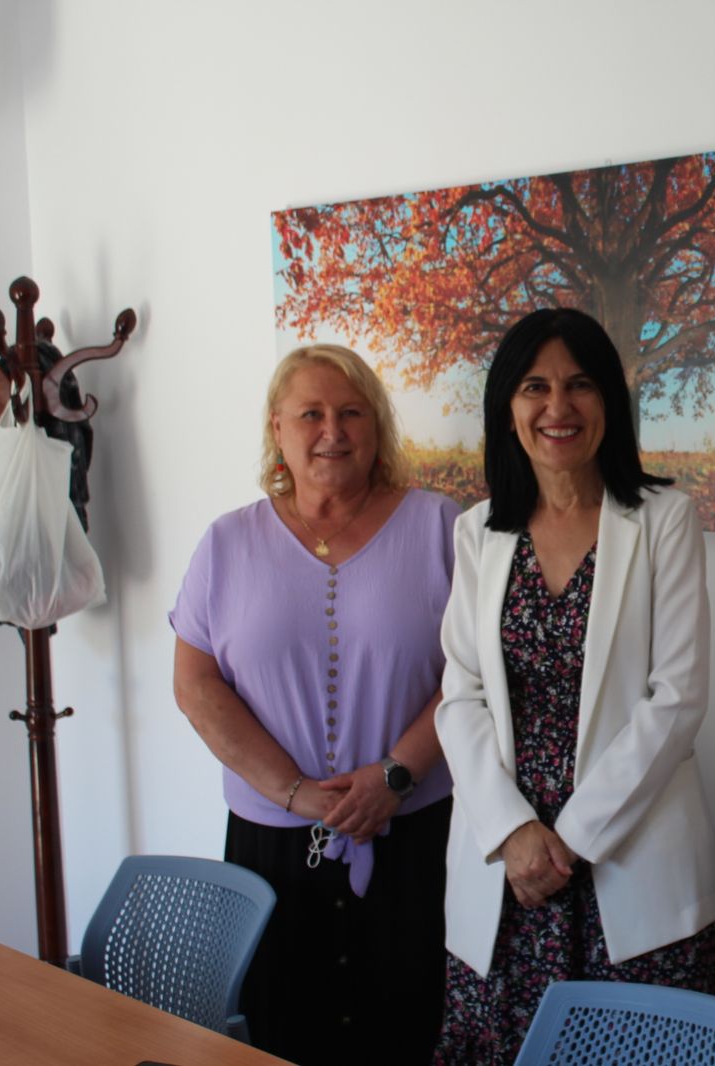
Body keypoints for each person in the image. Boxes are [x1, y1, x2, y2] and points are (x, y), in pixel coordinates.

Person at [433, 308, 715, 1064]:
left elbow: (678, 699)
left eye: (580, 385)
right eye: (535, 386)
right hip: (506, 869)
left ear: (609, 404)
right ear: (508, 406)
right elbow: (458, 694)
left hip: (627, 861)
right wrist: (514, 832)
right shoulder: (479, 532)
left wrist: (568, 842)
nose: (557, 407)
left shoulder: (663, 519)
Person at [171, 344, 458, 1065]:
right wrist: (294, 792)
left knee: (411, 1029)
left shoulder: (441, 527)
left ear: (377, 427)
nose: (332, 429)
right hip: (270, 844)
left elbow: (477, 674)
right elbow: (197, 685)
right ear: (278, 428)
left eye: (351, 412)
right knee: (280, 1031)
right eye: (311, 413)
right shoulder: (226, 542)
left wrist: (393, 776)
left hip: (413, 833)